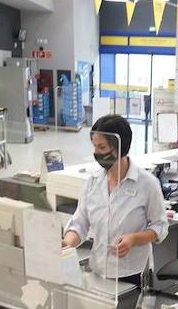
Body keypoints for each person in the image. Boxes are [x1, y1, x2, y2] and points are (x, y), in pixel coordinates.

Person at [63, 114, 168, 287]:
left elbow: (160, 226)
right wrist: (67, 243)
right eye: (94, 146)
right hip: (98, 272)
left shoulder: (147, 184)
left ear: (120, 147)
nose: (96, 152)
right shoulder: (92, 183)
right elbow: (80, 223)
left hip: (132, 275)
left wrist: (134, 238)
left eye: (102, 147)